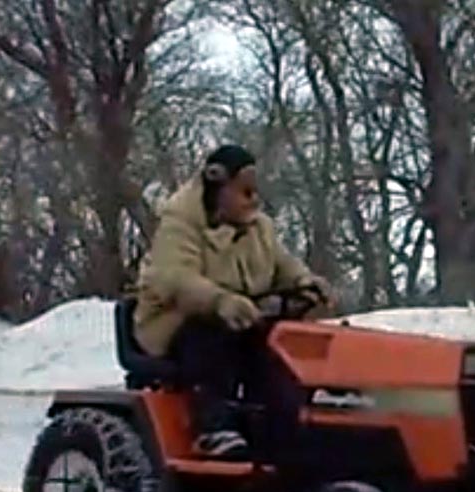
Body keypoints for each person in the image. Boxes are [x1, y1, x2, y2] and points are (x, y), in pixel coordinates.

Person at [132, 144, 333, 459]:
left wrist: (305, 282)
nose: (253, 199)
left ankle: (277, 428)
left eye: (255, 192)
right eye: (244, 192)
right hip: (176, 323)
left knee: (277, 350)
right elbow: (174, 278)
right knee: (210, 336)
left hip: (240, 320)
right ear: (218, 189)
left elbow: (282, 264)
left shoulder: (259, 227)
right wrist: (220, 300)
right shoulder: (181, 225)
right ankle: (213, 427)